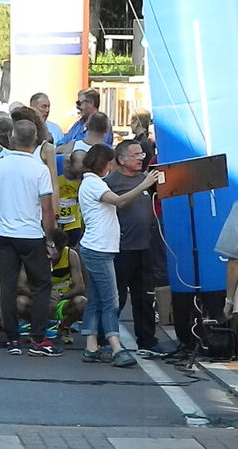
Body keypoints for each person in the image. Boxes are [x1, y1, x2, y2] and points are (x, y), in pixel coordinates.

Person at [78, 144, 158, 367]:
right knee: (110, 300)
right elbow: (119, 201)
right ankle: (115, 348)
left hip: (101, 247)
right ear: (106, 164)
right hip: (99, 249)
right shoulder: (94, 184)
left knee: (96, 300)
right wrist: (144, 184)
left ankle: (91, 345)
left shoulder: (92, 183)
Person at [0, 119, 60, 357]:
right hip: (32, 235)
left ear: (11, 139)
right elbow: (47, 210)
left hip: (5, 233)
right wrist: (49, 240)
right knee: (41, 286)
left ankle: (13, 339)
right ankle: (38, 339)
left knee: (8, 287)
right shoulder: (40, 169)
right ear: (36, 141)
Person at [105, 140, 165, 356]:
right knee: (117, 296)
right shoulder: (111, 182)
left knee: (145, 296)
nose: (141, 159)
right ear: (121, 159)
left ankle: (147, 339)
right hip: (121, 248)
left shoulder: (147, 180)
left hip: (144, 246)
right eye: (135, 155)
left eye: (142, 155)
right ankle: (107, 338)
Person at [17, 228, 86, 344]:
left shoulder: (71, 255)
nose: (53, 254)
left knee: (82, 302)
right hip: (39, 300)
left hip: (61, 301)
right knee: (19, 302)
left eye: (58, 250)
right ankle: (37, 327)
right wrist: (43, 295)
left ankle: (65, 326)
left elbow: (80, 287)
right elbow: (20, 286)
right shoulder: (33, 256)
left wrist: (61, 296)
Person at [57, 149, 86, 247]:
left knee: (72, 247)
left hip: (73, 219)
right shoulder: (55, 163)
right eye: (76, 173)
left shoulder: (84, 173)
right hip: (55, 218)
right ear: (68, 165)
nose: (79, 176)